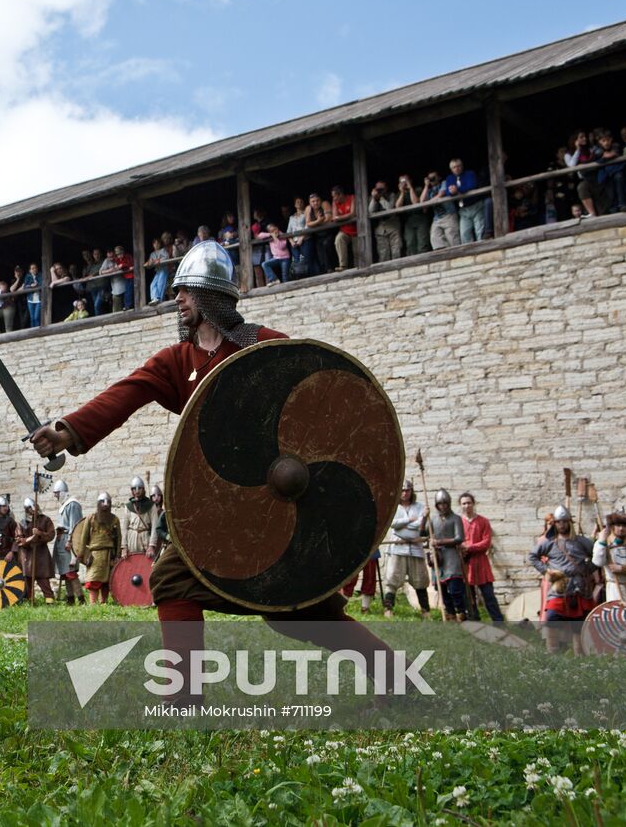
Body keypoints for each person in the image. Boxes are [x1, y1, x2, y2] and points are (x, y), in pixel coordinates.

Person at [32, 239, 401, 694]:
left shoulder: (265, 348)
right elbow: (126, 392)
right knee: (180, 580)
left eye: (186, 290)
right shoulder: (178, 360)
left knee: (301, 610)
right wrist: (67, 430)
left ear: (210, 297)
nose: (177, 298)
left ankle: (393, 678)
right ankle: (187, 694)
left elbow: (316, 408)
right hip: (228, 508)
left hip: (281, 504)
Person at [528, 507, 595, 653]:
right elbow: (533, 556)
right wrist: (547, 571)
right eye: (559, 522)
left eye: (564, 522)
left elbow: (597, 556)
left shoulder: (582, 542)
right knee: (551, 619)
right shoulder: (550, 543)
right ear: (555, 524)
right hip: (559, 588)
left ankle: (580, 657)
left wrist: (587, 570)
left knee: (579, 624)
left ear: (570, 523)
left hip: (579, 588)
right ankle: (553, 653)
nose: (562, 525)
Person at [381, 480, 431, 618]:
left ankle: (425, 611)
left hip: (415, 547)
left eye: (407, 490)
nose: (404, 493)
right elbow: (393, 524)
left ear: (411, 491)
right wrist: (410, 520)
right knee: (392, 579)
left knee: (421, 580)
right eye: (402, 490)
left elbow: (421, 526)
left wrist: (420, 519)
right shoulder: (394, 508)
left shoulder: (420, 507)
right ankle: (388, 609)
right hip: (398, 547)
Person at [458, 492, 503, 622]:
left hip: (481, 562)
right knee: (469, 597)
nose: (467, 506)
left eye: (469, 503)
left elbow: (486, 542)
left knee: (489, 596)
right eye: (464, 503)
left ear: (474, 504)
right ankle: (474, 622)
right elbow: (457, 541)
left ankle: (499, 622)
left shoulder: (483, 521)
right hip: (466, 563)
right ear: (461, 505)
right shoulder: (459, 522)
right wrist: (462, 547)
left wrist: (469, 547)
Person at [72, 492, 120, 603]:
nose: (105, 504)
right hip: (95, 555)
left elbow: (118, 538)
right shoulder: (91, 518)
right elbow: (83, 538)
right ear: (98, 503)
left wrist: (117, 555)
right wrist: (80, 554)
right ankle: (93, 603)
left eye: (108, 502)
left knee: (107, 581)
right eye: (102, 501)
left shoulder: (114, 519)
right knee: (93, 579)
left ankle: (103, 602)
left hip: (109, 554)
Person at [591, 512, 626, 605]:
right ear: (612, 527)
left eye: (625, 526)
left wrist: (621, 569)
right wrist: (601, 542)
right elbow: (598, 562)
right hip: (615, 588)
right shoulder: (605, 543)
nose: (621, 529)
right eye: (618, 525)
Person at [428, 490, 466, 621]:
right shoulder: (432, 519)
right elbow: (423, 532)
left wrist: (439, 541)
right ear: (436, 505)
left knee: (455, 588)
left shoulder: (456, 518)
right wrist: (423, 517)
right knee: (442, 589)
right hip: (438, 557)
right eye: (440, 504)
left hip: (451, 555)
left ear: (448, 503)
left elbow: (459, 538)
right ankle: (450, 614)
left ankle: (461, 612)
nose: (442, 506)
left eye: (445, 503)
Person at [15, 498, 55, 602]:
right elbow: (19, 540)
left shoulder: (45, 519)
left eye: (34, 506)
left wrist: (40, 534)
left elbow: (51, 535)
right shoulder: (22, 523)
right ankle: (30, 602)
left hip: (41, 554)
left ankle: (50, 602)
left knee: (44, 581)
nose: (34, 509)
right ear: (26, 509)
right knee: (28, 583)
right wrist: (30, 539)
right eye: (30, 508)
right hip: (27, 556)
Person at [51, 480, 83, 605]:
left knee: (70, 571)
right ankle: (70, 599)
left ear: (62, 492)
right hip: (61, 540)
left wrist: (70, 541)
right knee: (65, 573)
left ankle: (81, 598)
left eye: (57, 493)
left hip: (68, 541)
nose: (56, 496)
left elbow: (75, 525)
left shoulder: (73, 504)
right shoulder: (64, 505)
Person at [368, 180, 403, 263]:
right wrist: (374, 198)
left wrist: (381, 198)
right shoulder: (372, 198)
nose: (379, 191)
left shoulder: (391, 195)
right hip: (380, 228)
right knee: (383, 254)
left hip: (392, 226)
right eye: (378, 189)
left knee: (396, 251)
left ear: (386, 188)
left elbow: (389, 209)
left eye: (381, 189)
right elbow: (370, 211)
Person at [123, 476, 153, 555]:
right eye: (134, 489)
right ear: (131, 490)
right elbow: (125, 528)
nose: (137, 491)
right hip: (132, 539)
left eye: (139, 488)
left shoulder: (151, 505)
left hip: (145, 539)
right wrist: (124, 546)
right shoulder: (128, 506)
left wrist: (151, 545)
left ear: (143, 489)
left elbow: (154, 527)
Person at [329, 185, 356, 271]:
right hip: (345, 230)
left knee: (357, 251)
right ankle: (343, 265)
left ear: (340, 194)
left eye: (334, 196)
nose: (333, 198)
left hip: (357, 230)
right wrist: (341, 217)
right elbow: (334, 217)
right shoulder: (335, 202)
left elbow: (353, 214)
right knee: (339, 239)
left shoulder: (352, 198)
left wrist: (339, 218)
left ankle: (360, 267)